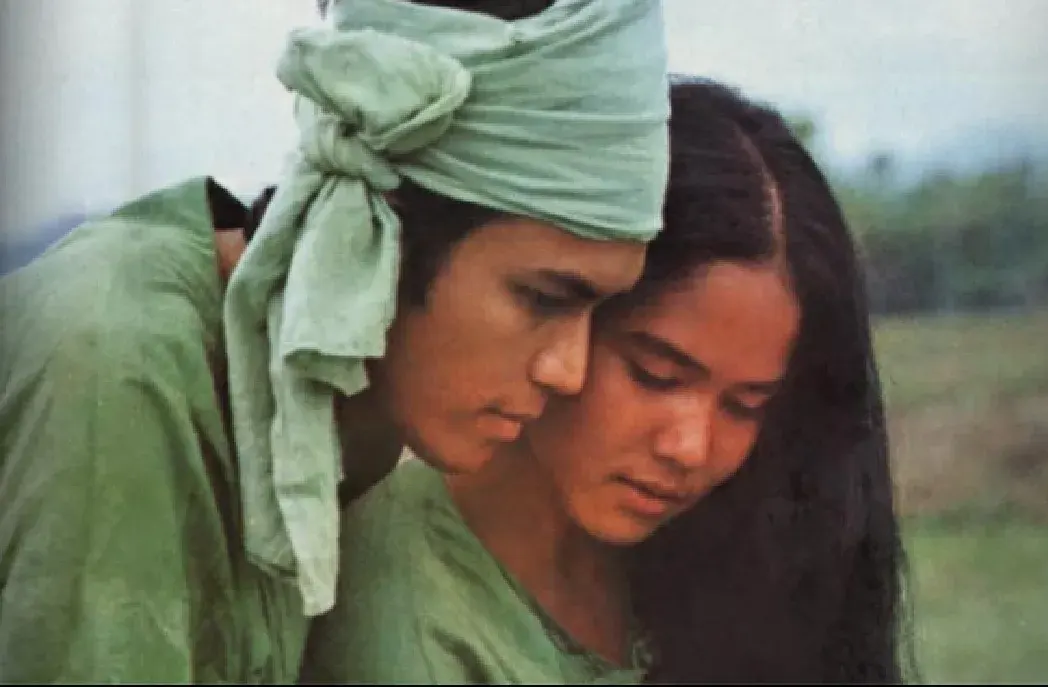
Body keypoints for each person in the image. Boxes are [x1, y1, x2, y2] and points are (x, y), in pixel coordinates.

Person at [0, 0, 671, 682]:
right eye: (543, 299)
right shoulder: (116, 363)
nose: (569, 372)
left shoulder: (350, 404)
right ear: (380, 230)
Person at [300, 78, 912, 684]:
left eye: (745, 406)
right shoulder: (402, 618)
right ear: (568, 309)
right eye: (656, 376)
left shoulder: (711, 550)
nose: (690, 448)